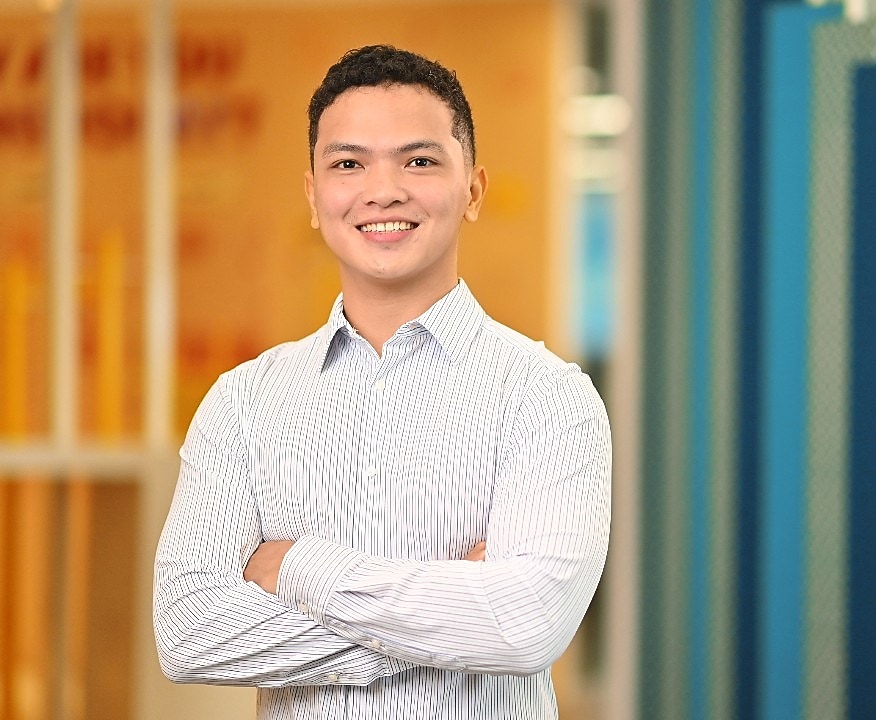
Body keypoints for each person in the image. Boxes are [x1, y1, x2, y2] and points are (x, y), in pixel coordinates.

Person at [153, 45, 612, 719]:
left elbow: (527, 625)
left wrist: (301, 570)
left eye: (419, 160)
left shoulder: (547, 398)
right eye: (348, 164)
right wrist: (455, 611)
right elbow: (187, 632)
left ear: (473, 190)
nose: (383, 189)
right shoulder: (244, 402)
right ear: (314, 197)